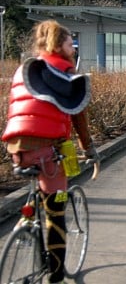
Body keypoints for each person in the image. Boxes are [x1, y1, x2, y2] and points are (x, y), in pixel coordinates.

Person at [1, 19, 99, 284]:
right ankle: (55, 275)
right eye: (71, 43)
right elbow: (79, 118)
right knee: (56, 213)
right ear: (59, 45)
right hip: (47, 151)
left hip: (17, 148)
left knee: (38, 194)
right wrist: (89, 149)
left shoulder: (25, 69)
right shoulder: (66, 75)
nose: (74, 48)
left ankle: (27, 222)